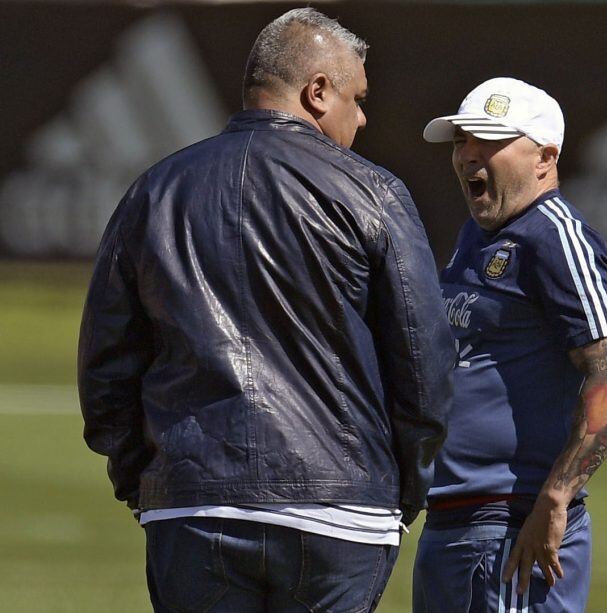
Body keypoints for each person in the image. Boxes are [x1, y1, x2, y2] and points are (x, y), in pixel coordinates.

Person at [78, 8, 455, 612]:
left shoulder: (154, 191)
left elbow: (107, 365)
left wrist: (146, 479)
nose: (361, 118)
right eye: (356, 99)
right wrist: (400, 487)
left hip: (193, 502)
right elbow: (424, 361)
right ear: (317, 92)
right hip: (341, 509)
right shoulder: (372, 191)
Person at [413, 77, 607, 612]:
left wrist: (556, 497)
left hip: (510, 529)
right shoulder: (478, 234)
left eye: (489, 142)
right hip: (453, 524)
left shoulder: (557, 236)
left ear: (545, 157)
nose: (469, 156)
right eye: (461, 141)